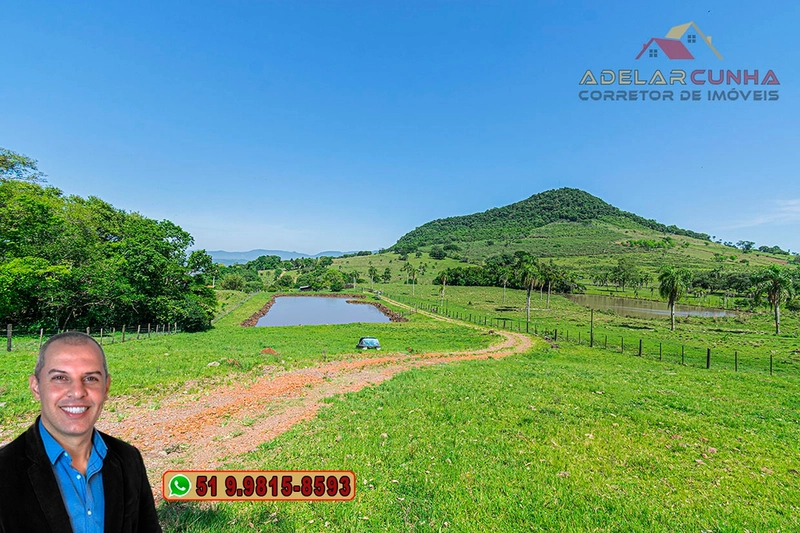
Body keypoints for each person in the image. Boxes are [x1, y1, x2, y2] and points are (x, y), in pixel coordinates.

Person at [0, 331, 162, 533]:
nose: (77, 392)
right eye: (60, 377)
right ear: (36, 387)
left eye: (91, 378)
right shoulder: (4, 471)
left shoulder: (129, 459)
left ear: (106, 387)